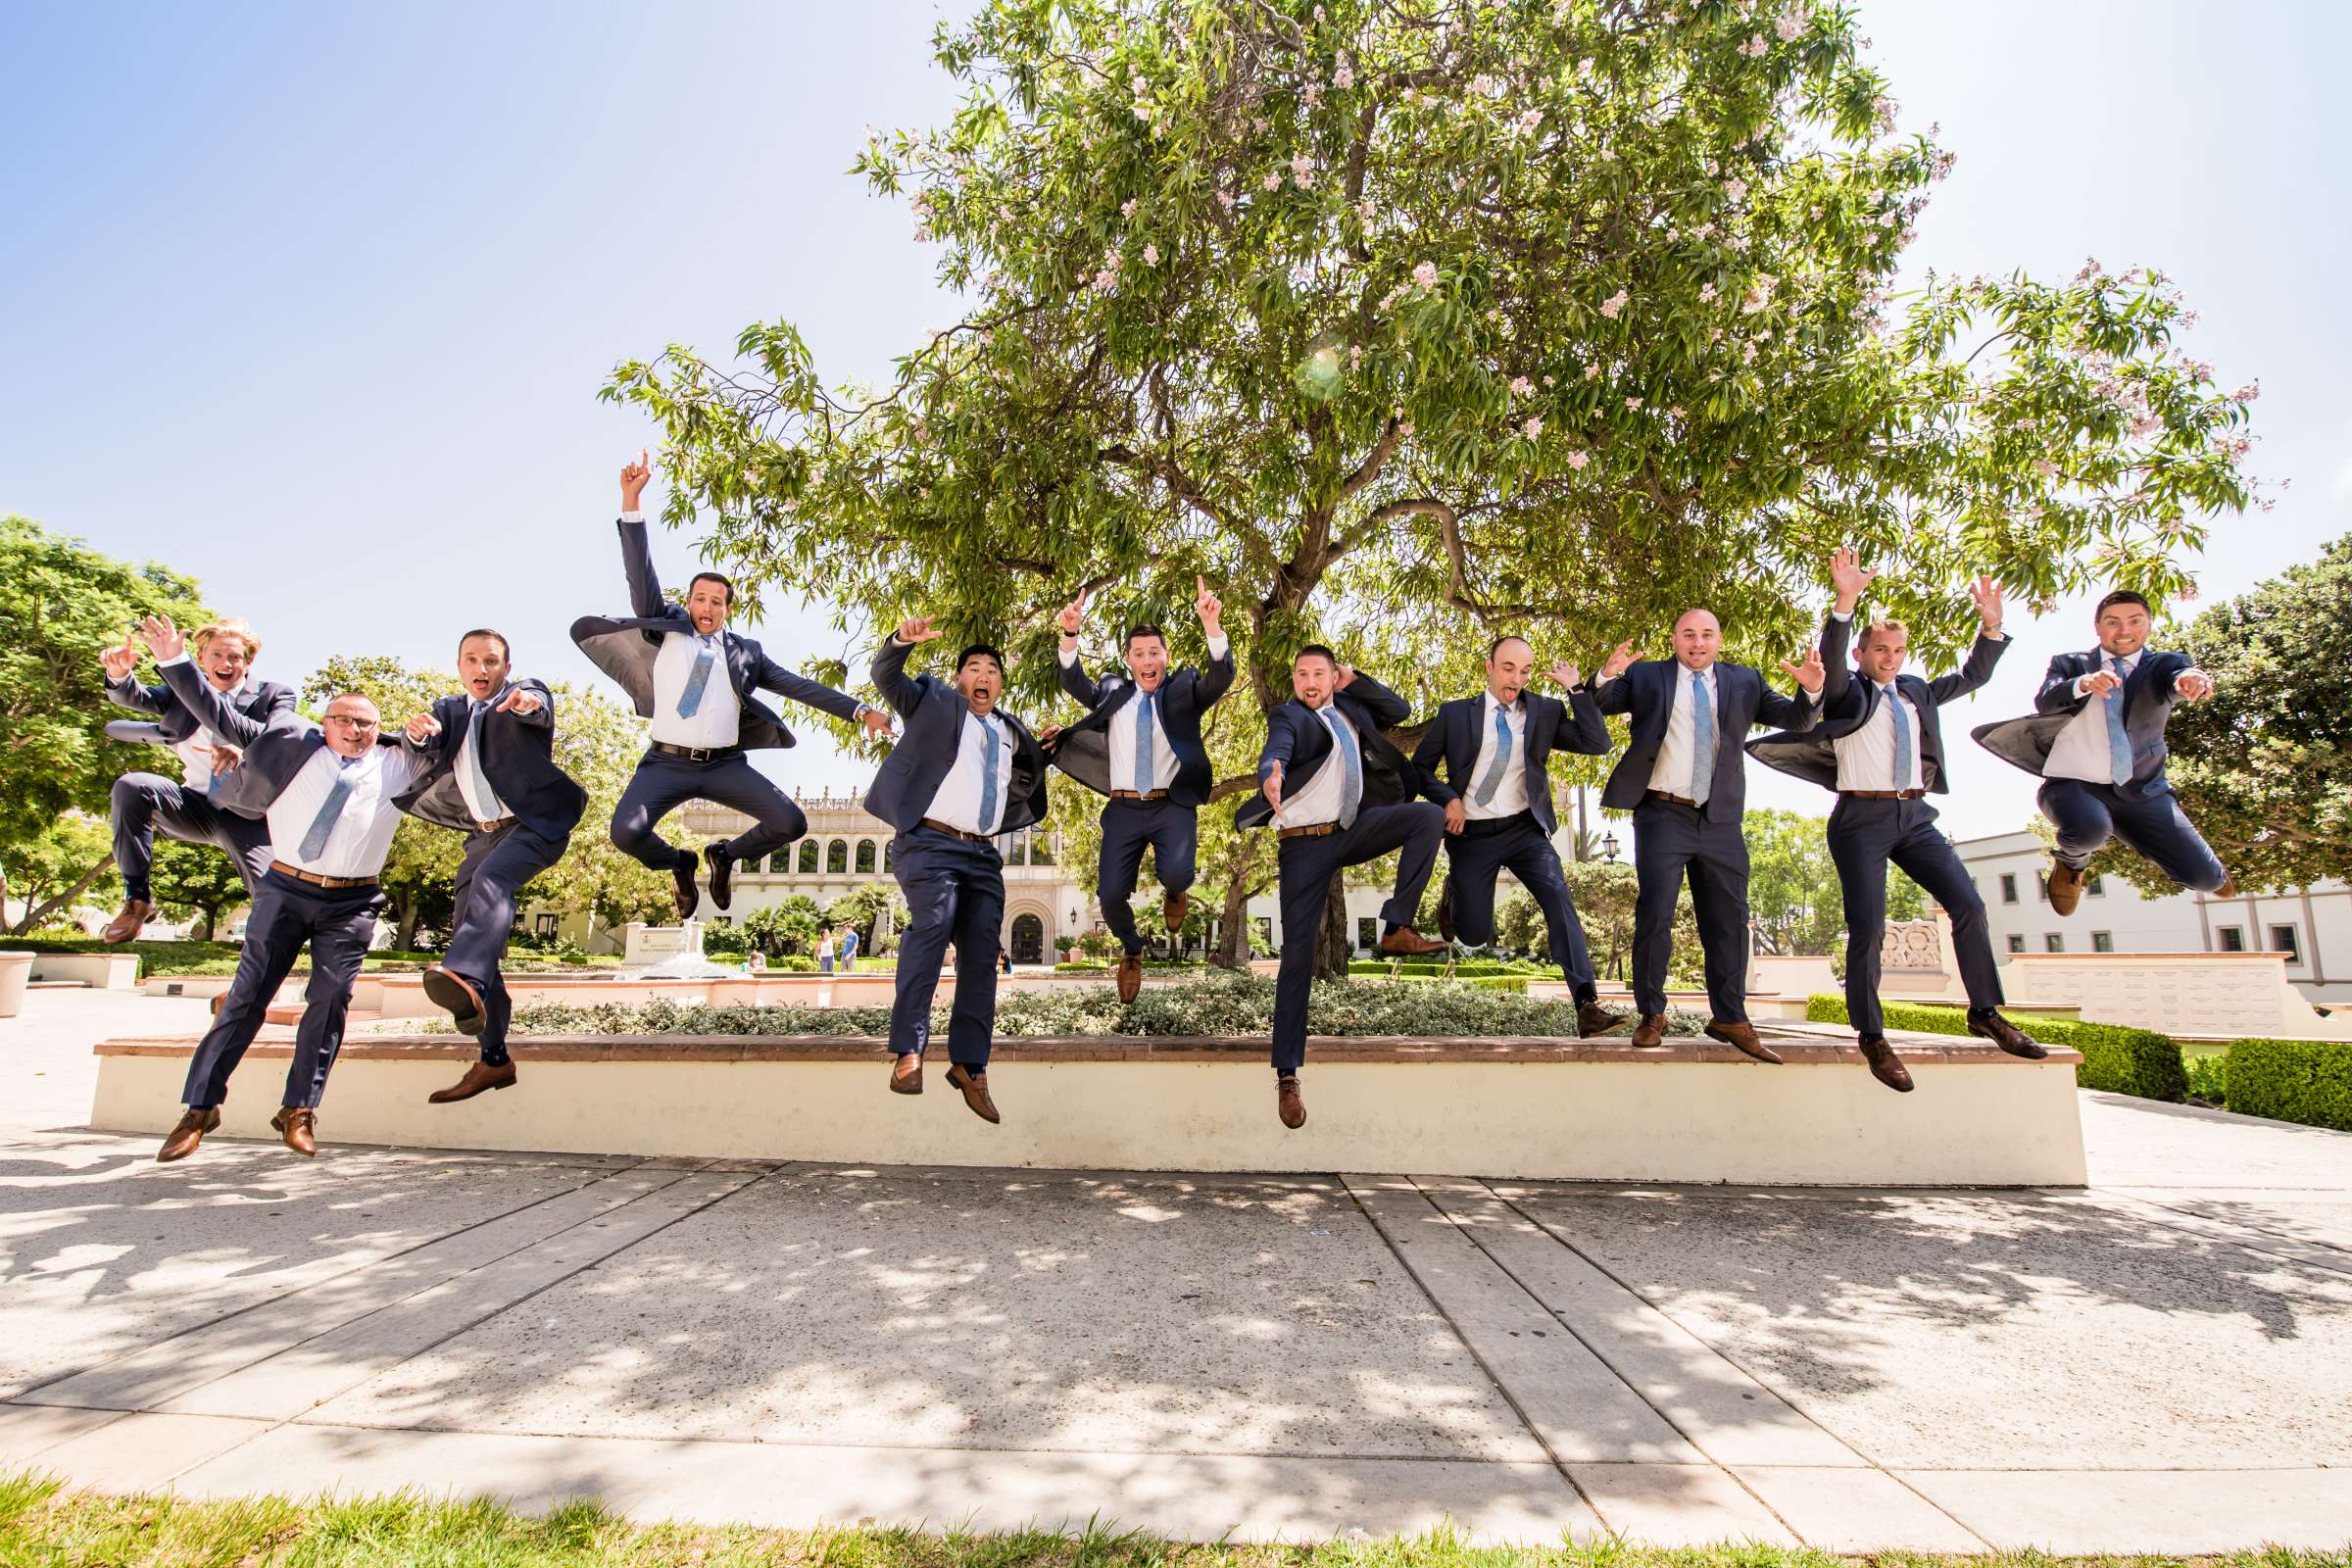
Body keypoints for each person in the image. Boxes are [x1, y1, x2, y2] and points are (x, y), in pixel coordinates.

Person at [1747, 549, 2045, 1092]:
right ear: (1863, 652)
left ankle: (1985, 1011)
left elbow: (1974, 673)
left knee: (1969, 906)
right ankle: (1872, 1036)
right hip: (1860, 816)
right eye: (1880, 649)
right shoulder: (1846, 692)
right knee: (1868, 927)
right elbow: (1832, 664)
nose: (1890, 657)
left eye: (1898, 650)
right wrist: (1845, 600)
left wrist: (1993, 626)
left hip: (1916, 816)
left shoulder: (1917, 691)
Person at [134, 615, 424, 1163]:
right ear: (326, 721)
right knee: (247, 999)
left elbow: (453, 750)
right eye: (344, 719)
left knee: (331, 999)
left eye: (366, 722)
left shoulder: (398, 762)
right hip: (285, 892)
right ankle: (199, 1108)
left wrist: (424, 730)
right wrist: (175, 661)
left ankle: (298, 1110)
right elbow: (217, 712)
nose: (355, 729)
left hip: (354, 902)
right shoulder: (292, 745)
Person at [573, 453, 892, 919]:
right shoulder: (666, 629)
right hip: (665, 762)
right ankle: (680, 863)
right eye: (700, 598)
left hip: (724, 765)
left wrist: (862, 712)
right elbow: (640, 577)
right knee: (626, 833)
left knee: (790, 821)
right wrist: (631, 502)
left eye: (717, 601)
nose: (707, 606)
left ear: (727, 609)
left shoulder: (746, 653)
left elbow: (800, 687)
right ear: (688, 602)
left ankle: (724, 856)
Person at [1595, 612, 1825, 1058]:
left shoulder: (1745, 681)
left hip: (1720, 819)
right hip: (1663, 812)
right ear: (1675, 638)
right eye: (1688, 635)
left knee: (1729, 920)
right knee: (1655, 915)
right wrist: (1607, 674)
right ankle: (1652, 1015)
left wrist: (1812, 687)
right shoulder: (1647, 676)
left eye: (1706, 635)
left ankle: (1730, 1016)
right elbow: (1600, 703)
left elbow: (1798, 720)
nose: (1697, 643)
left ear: (1719, 639)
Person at [1236, 645, 1446, 1129]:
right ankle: (1287, 1075)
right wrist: (1273, 774)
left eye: (1319, 674)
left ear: (1333, 677)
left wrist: (1356, 681)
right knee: (1296, 958)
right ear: (1293, 680)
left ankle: (1396, 927)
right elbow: (1278, 747)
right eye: (1302, 674)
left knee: (1427, 817)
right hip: (1304, 846)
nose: (1310, 682)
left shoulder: (1351, 706)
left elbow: (1400, 711)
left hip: (1353, 827)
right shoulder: (1288, 715)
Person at [865, 615, 1050, 1123]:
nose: (983, 674)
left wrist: (1046, 750)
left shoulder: (1012, 732)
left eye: (992, 669)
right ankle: (908, 1052)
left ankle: (970, 1066)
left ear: (1000, 685)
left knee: (982, 957)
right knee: (931, 927)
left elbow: (1022, 778)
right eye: (973, 667)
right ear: (960, 678)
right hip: (930, 843)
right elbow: (888, 679)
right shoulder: (936, 704)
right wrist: (901, 642)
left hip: (984, 854)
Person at [395, 630, 587, 1105]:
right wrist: (416, 734)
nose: (482, 670)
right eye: (472, 661)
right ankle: (494, 1058)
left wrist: (525, 703)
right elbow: (419, 743)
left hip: (534, 826)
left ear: (506, 665)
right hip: (481, 834)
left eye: (492, 662)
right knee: (471, 934)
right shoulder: (450, 711)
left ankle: (466, 975)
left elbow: (537, 705)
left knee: (491, 885)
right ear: (460, 665)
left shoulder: (522, 693)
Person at [1412, 636, 1622, 1039]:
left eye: (1524, 671)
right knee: (1473, 934)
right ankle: (1454, 895)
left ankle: (1586, 1004)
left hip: (1525, 829)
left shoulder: (1544, 711)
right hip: (1471, 835)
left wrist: (1576, 690)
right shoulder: (1455, 715)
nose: (1516, 679)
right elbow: (1419, 769)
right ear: (1489, 666)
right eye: (1508, 668)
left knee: (1559, 898)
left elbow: (1597, 744)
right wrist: (1448, 799)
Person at [1973, 588, 2231, 912]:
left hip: (2144, 791)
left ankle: (2188, 861)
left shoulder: (2166, 664)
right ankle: (2071, 862)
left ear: (2149, 625)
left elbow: (2179, 678)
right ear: (2097, 627)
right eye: (2112, 622)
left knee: (2207, 879)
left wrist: (2190, 679)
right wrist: (2084, 683)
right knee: (2090, 829)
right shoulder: (2070, 664)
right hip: (2074, 786)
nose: (2124, 631)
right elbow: (2046, 700)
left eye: (2135, 621)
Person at [1048, 576, 1235, 1003]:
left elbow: (1220, 676)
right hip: (1124, 808)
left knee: (1177, 873)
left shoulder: (1184, 690)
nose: (1147, 660)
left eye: (1155, 652)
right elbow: (1072, 680)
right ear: (1129, 660)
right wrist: (1071, 633)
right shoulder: (1113, 692)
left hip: (1172, 805)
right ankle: (1132, 950)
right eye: (1139, 654)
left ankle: (1175, 889)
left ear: (1165, 657)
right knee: (1111, 894)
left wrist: (1212, 627)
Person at [97, 618, 295, 943]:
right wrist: (119, 674)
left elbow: (278, 736)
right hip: (194, 807)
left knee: (277, 904)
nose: (225, 664)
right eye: (216, 655)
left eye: (234, 657)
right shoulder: (183, 690)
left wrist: (240, 748)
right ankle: (137, 898)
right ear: (201, 657)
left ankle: (250, 989)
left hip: (246, 815)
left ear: (249, 661)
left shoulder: (275, 695)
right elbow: (136, 697)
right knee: (132, 786)